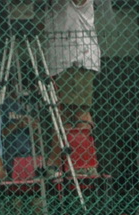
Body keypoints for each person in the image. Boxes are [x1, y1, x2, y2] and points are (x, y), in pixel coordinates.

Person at [41, 0, 100, 130]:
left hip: (75, 60)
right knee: (64, 113)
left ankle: (81, 147)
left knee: (77, 112)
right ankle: (71, 146)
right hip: (58, 62)